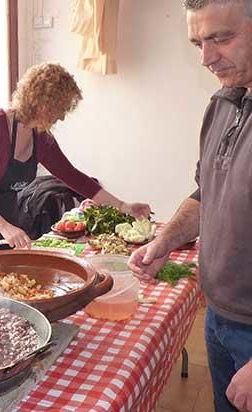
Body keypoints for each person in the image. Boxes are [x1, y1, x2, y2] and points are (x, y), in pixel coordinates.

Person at [128, 1, 252, 410]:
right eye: (198, 42)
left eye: (222, 37)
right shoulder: (222, 104)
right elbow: (206, 194)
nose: (206, 57)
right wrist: (164, 242)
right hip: (218, 315)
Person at [0, 63, 151, 259]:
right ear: (42, 105)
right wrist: (4, 227)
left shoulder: (39, 135)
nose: (61, 118)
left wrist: (123, 206)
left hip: (3, 215)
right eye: (59, 110)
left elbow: (73, 177)